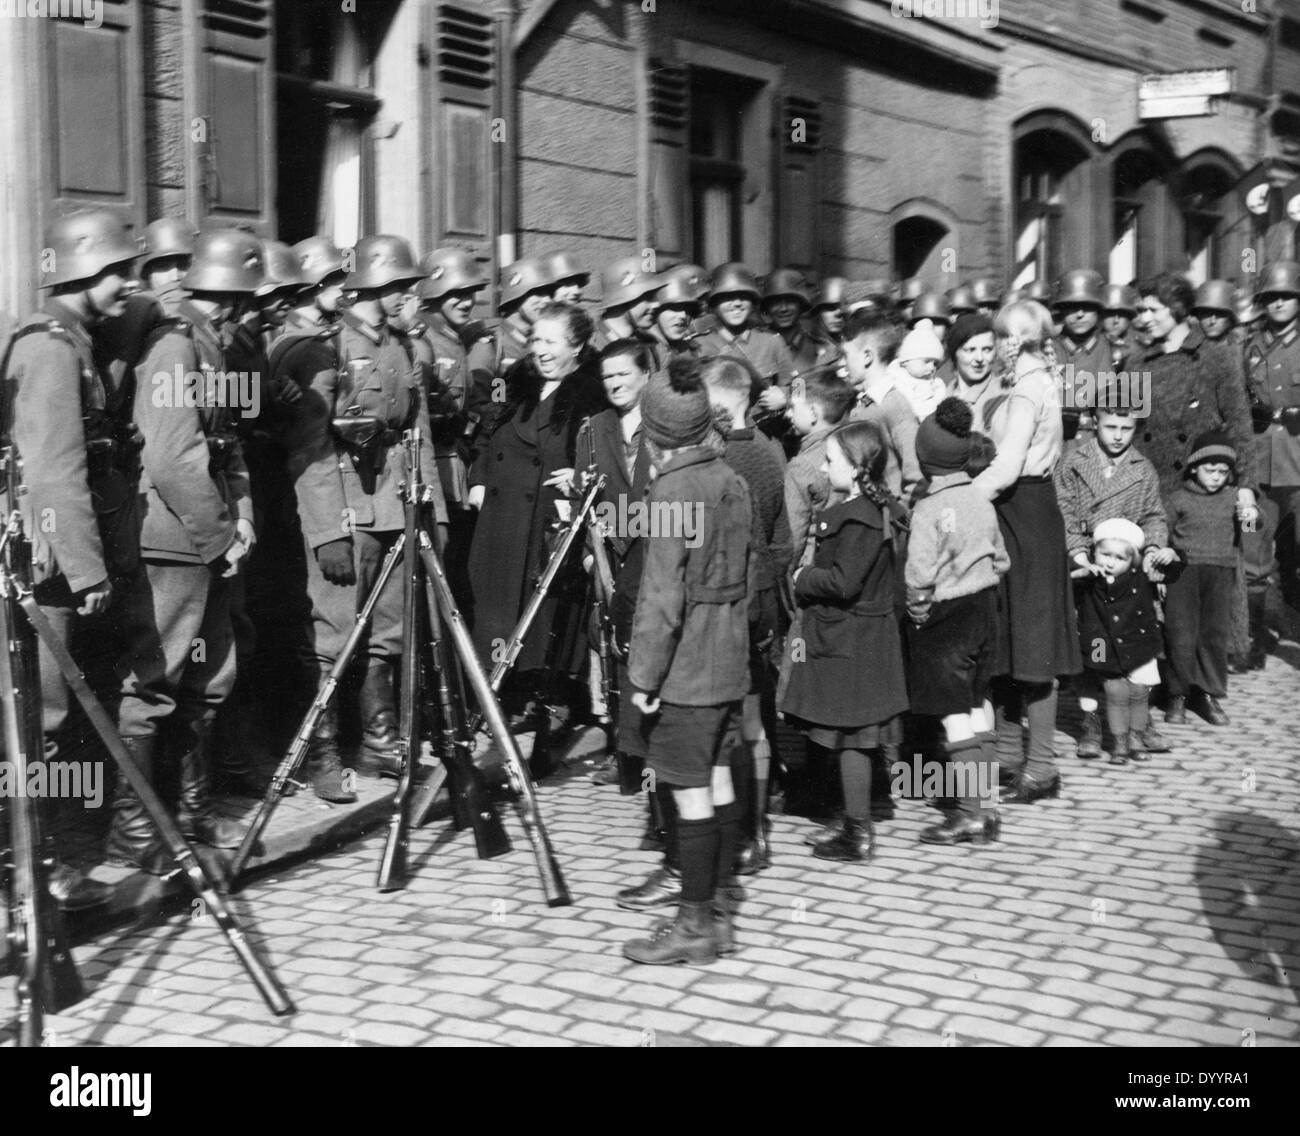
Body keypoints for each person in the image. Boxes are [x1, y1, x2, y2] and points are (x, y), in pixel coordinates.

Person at [2, 209, 142, 907]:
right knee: (41, 723)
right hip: (46, 563)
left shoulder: (72, 339)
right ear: (86, 268)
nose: (128, 285)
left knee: (44, 723)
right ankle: (37, 877)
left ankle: (38, 870)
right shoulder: (54, 347)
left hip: (47, 555)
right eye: (119, 271)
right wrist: (86, 571)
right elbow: (55, 471)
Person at [113, 229, 264, 870]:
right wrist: (219, 536)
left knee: (209, 678)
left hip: (206, 536)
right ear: (231, 294)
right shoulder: (176, 346)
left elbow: (226, 445)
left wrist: (244, 517)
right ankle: (138, 832)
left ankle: (191, 814)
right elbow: (173, 457)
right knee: (152, 687)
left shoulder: (212, 344)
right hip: (173, 540)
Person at [287, 234, 445, 787]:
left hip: (397, 507)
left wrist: (434, 511)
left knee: (389, 632)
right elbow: (309, 449)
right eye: (401, 286)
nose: (409, 296)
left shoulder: (402, 348)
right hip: (348, 506)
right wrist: (328, 530)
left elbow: (417, 431)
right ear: (375, 286)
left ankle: (379, 743)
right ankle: (321, 754)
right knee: (332, 636)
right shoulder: (323, 350)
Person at [622, 360, 751, 965]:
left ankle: (694, 924)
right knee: (721, 780)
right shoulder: (732, 479)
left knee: (690, 794)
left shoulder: (670, 491)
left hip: (687, 668)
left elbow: (660, 601)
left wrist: (644, 678)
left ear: (652, 434)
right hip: (729, 657)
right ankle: (720, 900)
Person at [953, 303, 1081, 805]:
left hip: (1024, 511)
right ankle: (1008, 755)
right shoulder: (1029, 383)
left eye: (999, 340)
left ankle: (1043, 766)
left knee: (1033, 642)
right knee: (1007, 637)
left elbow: (1006, 468)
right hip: (1014, 514)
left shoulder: (1028, 390)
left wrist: (958, 499)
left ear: (1012, 342)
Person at [467, 301, 606, 730]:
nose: (540, 351)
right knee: (493, 604)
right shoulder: (511, 380)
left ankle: (540, 699)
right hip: (500, 513)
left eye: (551, 341)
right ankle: (492, 695)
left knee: (542, 608)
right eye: (535, 340)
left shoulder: (593, 392)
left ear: (577, 346)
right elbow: (487, 428)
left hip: (547, 518)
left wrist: (582, 471)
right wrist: (478, 476)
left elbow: (607, 449)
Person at [780, 421, 909, 861]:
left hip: (853, 638)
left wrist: (802, 577)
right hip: (855, 636)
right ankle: (850, 818)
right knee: (848, 735)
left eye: (831, 459)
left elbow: (843, 581)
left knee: (854, 736)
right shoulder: (866, 508)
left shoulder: (861, 518)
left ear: (855, 468)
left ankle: (858, 832)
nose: (822, 464)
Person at [904, 398, 1008, 845]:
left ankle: (968, 815)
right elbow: (1001, 559)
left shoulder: (929, 510)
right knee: (978, 707)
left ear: (925, 461)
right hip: (985, 609)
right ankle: (988, 808)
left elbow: (919, 574)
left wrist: (917, 610)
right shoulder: (981, 499)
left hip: (946, 618)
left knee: (954, 718)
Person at [703, 356, 791, 875]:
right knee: (755, 716)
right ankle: (757, 834)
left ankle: (732, 830)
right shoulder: (771, 451)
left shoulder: (719, 460)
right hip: (762, 601)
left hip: (728, 602)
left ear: (718, 405)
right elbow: (784, 537)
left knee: (728, 722)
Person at [1054, 398, 1170, 758]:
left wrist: (1152, 549)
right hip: (1089, 571)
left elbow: (1153, 515)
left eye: (1127, 429)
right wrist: (1079, 555)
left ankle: (1139, 721)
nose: (1118, 436)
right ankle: (1091, 722)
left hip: (1128, 575)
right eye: (1110, 427)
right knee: (1093, 649)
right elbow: (1064, 512)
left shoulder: (1143, 468)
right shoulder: (1074, 462)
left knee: (1135, 649)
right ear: (1094, 422)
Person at [412, 247, 493, 605]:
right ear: (434, 294)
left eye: (469, 292)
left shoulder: (461, 339)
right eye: (455, 294)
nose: (466, 301)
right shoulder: (422, 341)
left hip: (457, 468)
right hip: (434, 470)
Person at [1163, 431, 1250, 727]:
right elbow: (1161, 534)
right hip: (1183, 574)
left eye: (1223, 471)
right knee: (1180, 633)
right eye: (1209, 470)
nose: (1216, 477)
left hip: (1220, 572)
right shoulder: (1178, 499)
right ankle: (1178, 694)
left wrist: (1247, 510)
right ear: (1194, 469)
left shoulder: (1233, 498)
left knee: (1213, 634)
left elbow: (1252, 527)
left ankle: (1208, 693)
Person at [1242, 261, 1300, 667]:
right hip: (1260, 460)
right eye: (1271, 297)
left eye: (1287, 296)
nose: (1279, 303)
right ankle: (1254, 640)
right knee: (1253, 549)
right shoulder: (1250, 346)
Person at [1072, 519, 1167, 765]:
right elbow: (1065, 578)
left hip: (1138, 641)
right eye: (1105, 555)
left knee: (1138, 692)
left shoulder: (1140, 577)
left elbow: (1175, 571)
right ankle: (1120, 744)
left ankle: (1136, 738)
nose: (1110, 562)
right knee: (1115, 691)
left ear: (1132, 560)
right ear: (1095, 553)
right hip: (1099, 643)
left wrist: (1170, 555)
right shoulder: (1088, 578)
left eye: (1119, 558)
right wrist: (1081, 571)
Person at [696, 262, 795, 426]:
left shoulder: (771, 341)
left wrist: (786, 397)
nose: (737, 303)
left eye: (744, 296)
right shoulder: (698, 345)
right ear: (714, 303)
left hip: (762, 435)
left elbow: (800, 385)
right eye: (727, 297)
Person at [842, 309, 923, 503]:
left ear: (867, 356)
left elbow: (916, 474)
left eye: (845, 355)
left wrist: (901, 516)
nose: (842, 363)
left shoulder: (894, 404)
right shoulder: (864, 401)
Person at [1052, 269, 1111, 445]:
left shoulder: (1108, 349)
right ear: (1061, 311)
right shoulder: (1049, 349)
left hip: (1095, 442)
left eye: (1087, 307)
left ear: (1099, 311)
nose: (1079, 314)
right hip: (1055, 443)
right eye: (1071, 307)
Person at [763, 268, 837, 378]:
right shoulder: (755, 344)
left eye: (790, 301)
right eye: (776, 302)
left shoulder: (822, 350)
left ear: (801, 305)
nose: (783, 308)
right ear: (767, 307)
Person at [649, 263, 708, 371]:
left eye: (688, 309)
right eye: (673, 307)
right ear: (656, 310)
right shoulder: (645, 352)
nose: (682, 315)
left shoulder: (692, 350)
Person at [891, 322, 947, 422]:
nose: (931, 367)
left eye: (935, 363)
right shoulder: (899, 379)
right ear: (906, 361)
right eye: (926, 362)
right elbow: (906, 406)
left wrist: (938, 398)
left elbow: (941, 395)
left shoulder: (934, 381)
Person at [1100, 283, 1138, 369]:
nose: (1116, 321)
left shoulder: (1139, 347)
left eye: (1121, 314)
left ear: (1129, 316)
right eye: (1110, 313)